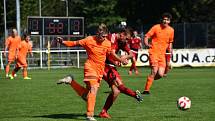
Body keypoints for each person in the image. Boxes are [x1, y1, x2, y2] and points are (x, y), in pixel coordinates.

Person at [56, 23, 127, 121]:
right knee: (94, 89)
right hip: (90, 68)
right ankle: (89, 115)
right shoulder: (89, 40)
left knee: (87, 96)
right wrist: (62, 42)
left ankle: (70, 81)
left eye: (106, 37)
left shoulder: (107, 43)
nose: (104, 38)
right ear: (98, 33)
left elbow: (111, 54)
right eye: (102, 36)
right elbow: (74, 43)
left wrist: (120, 60)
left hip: (100, 71)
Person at [98, 28, 144, 119]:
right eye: (126, 39)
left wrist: (125, 56)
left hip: (110, 66)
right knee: (118, 85)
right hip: (102, 65)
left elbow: (131, 54)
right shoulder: (112, 38)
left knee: (116, 91)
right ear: (122, 34)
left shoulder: (122, 42)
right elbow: (111, 53)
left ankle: (103, 112)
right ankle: (135, 95)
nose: (127, 41)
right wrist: (120, 60)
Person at [142, 13, 174, 94]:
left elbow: (170, 42)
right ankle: (146, 90)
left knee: (160, 74)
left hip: (162, 55)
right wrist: (146, 44)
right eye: (164, 19)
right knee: (154, 71)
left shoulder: (171, 30)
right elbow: (146, 36)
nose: (165, 21)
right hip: (153, 52)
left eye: (167, 19)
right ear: (162, 20)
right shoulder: (156, 27)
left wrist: (170, 51)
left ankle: (150, 79)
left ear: (169, 21)